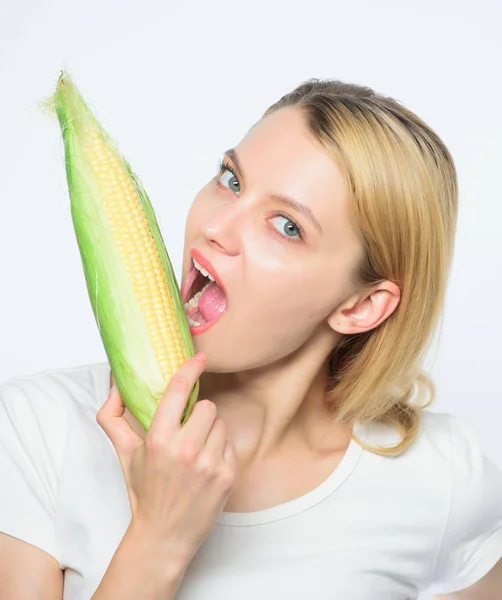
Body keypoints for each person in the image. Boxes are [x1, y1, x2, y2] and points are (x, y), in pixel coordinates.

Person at [1, 79, 501, 600]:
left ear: (360, 306)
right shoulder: (39, 430)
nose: (217, 225)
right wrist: (157, 543)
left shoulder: (441, 480)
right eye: (231, 179)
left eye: (287, 226)